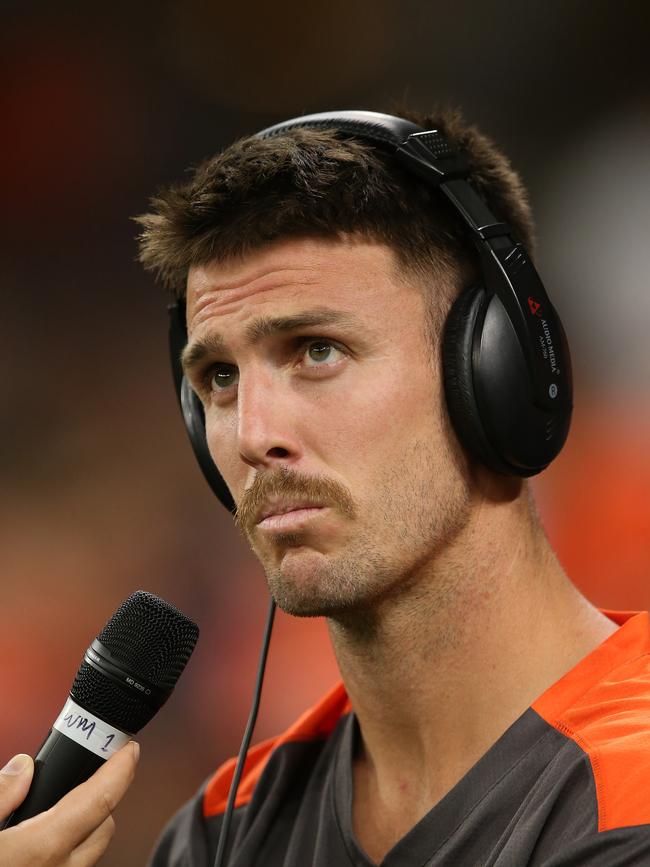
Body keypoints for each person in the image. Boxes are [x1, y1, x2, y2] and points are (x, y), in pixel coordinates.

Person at [133, 109, 650, 866]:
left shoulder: (631, 795)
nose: (251, 434)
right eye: (219, 377)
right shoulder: (222, 829)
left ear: (495, 371)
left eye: (317, 350)